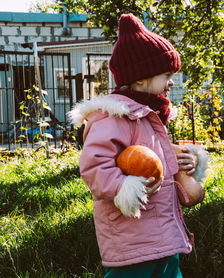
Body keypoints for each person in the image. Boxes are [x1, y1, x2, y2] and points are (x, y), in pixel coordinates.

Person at [68, 13, 208, 278]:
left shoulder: (148, 116)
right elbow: (94, 165)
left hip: (163, 238)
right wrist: (126, 188)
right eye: (167, 74)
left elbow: (154, 160)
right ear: (142, 78)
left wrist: (186, 161)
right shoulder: (113, 117)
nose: (171, 82)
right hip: (132, 240)